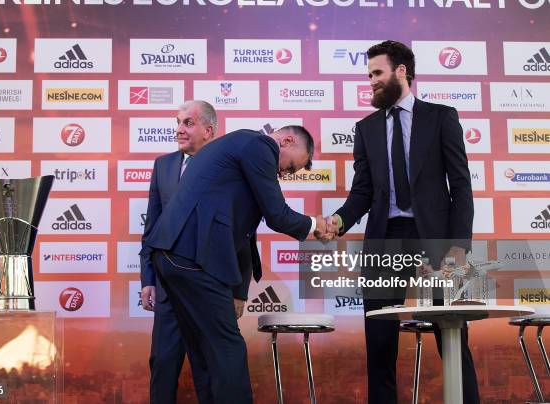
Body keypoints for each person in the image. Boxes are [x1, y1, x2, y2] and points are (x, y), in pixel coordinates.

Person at [324, 40, 479, 403]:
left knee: (454, 340)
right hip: (384, 241)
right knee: (379, 347)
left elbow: (461, 185)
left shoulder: (441, 116)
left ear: (401, 72)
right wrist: (337, 220)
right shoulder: (365, 129)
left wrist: (459, 246)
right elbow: (361, 193)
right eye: (369, 75)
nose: (371, 81)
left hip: (437, 245)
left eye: (377, 73)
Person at [143, 125, 327, 404]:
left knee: (203, 349)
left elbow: (243, 234)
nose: (283, 175)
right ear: (287, 140)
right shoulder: (260, 146)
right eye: (290, 167)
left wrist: (239, 289)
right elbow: (277, 215)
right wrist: (316, 225)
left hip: (172, 256)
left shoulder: (239, 146)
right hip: (192, 256)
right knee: (228, 347)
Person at [139, 100, 261, 404]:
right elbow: (153, 227)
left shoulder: (231, 167)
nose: (179, 129)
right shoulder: (163, 165)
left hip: (210, 286)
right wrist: (147, 279)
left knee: (210, 368)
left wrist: (240, 291)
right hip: (169, 288)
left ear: (209, 130)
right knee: (163, 363)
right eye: (178, 122)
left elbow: (243, 234)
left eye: (188, 123)